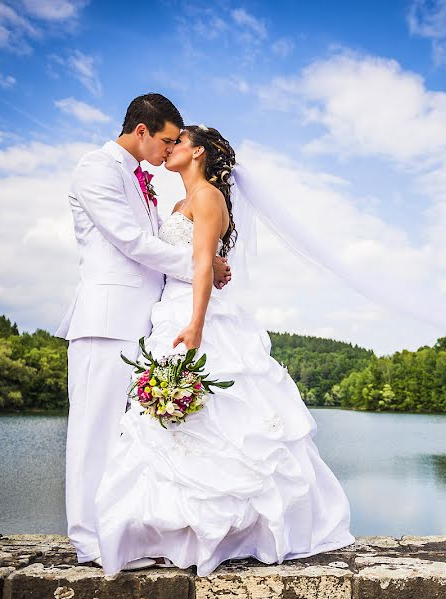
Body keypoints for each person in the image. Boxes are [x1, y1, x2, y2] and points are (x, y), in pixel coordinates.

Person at [93, 125, 355, 575]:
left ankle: (233, 532)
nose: (168, 147)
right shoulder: (178, 203)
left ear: (197, 153)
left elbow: (200, 268)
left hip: (198, 317)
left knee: (219, 419)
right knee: (168, 426)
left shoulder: (208, 197)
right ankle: (172, 531)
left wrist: (195, 324)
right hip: (168, 314)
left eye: (177, 142)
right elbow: (183, 259)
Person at [55, 94, 233, 570]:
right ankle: (88, 540)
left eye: (177, 142)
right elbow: (131, 242)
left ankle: (118, 532)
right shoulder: (98, 169)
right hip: (106, 318)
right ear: (141, 131)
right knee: (93, 431)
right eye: (166, 140)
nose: (168, 149)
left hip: (144, 324)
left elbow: (153, 238)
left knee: (123, 436)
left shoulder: (141, 181)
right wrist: (202, 265)